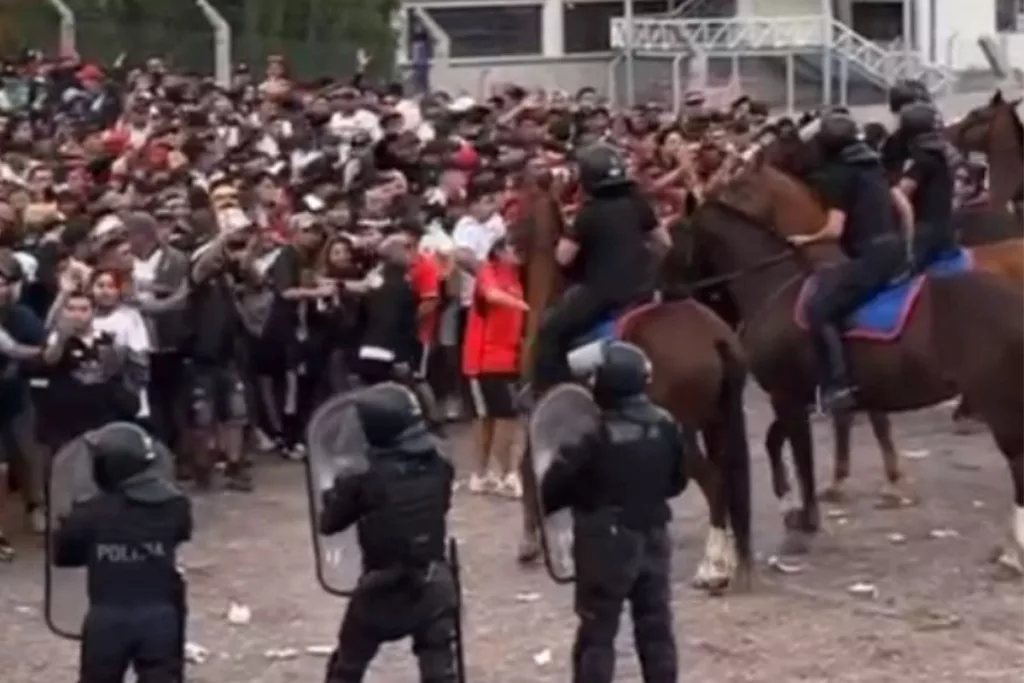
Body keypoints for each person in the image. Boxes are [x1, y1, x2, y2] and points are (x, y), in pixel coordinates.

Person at [539, 341, 685, 683]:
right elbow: (677, 481)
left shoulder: (591, 434)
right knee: (656, 629)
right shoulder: (665, 424)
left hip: (606, 542)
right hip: (653, 533)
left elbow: (553, 490)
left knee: (597, 634)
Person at [318, 383, 459, 683]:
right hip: (433, 580)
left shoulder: (365, 478)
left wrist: (337, 489)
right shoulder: (440, 464)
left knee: (348, 666)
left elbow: (329, 523)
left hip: (382, 588)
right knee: (439, 666)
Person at [52, 421, 191, 683]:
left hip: (107, 620)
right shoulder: (175, 505)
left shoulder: (89, 513)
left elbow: (64, 557)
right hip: (161, 617)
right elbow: (180, 535)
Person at [530, 143, 670, 397]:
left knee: (550, 331)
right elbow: (664, 242)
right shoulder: (638, 204)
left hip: (603, 292)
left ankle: (551, 393)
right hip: (645, 289)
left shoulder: (588, 213)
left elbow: (563, 257)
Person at [797, 111, 906, 413]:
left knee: (819, 308)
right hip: (894, 249)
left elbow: (834, 230)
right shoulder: (874, 165)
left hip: (869, 256)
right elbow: (904, 208)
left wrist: (804, 241)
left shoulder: (837, 175)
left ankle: (839, 384)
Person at [890, 101, 957, 271]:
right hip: (946, 227)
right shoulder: (943, 154)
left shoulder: (921, 159)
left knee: (895, 274)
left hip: (924, 234)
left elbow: (903, 193)